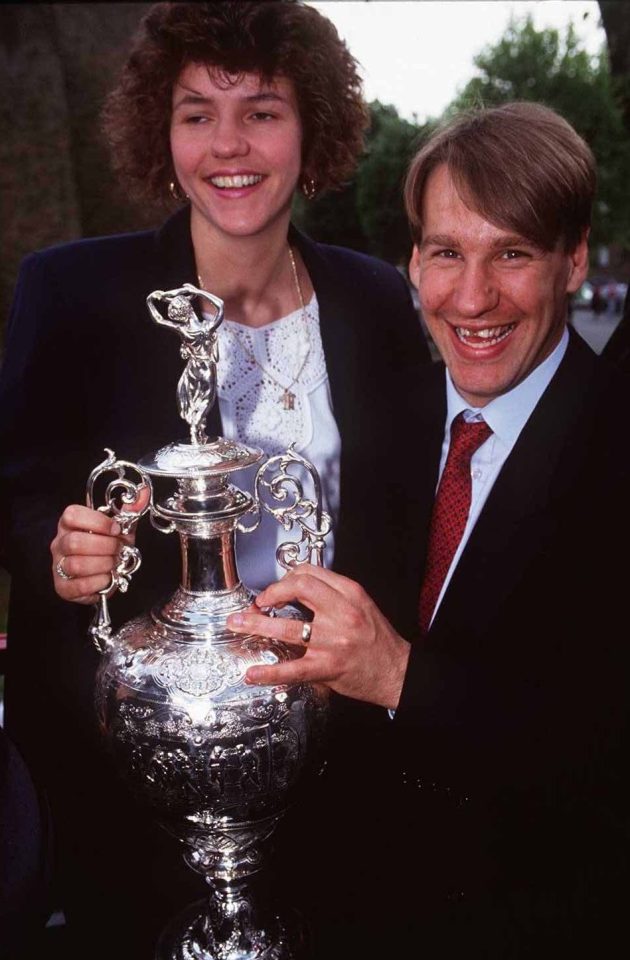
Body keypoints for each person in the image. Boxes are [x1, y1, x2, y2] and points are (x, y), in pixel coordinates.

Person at [0, 3, 429, 958]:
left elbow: (406, 523)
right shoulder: (71, 291)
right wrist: (58, 549)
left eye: (263, 110)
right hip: (141, 786)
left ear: (312, 128)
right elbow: (18, 482)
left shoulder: (376, 303)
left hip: (333, 775)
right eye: (197, 113)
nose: (228, 145)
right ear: (162, 131)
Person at [226, 102, 630, 955]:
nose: (473, 297)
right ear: (412, 263)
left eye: (512, 253)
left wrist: (402, 676)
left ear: (573, 261)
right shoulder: (389, 413)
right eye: (447, 252)